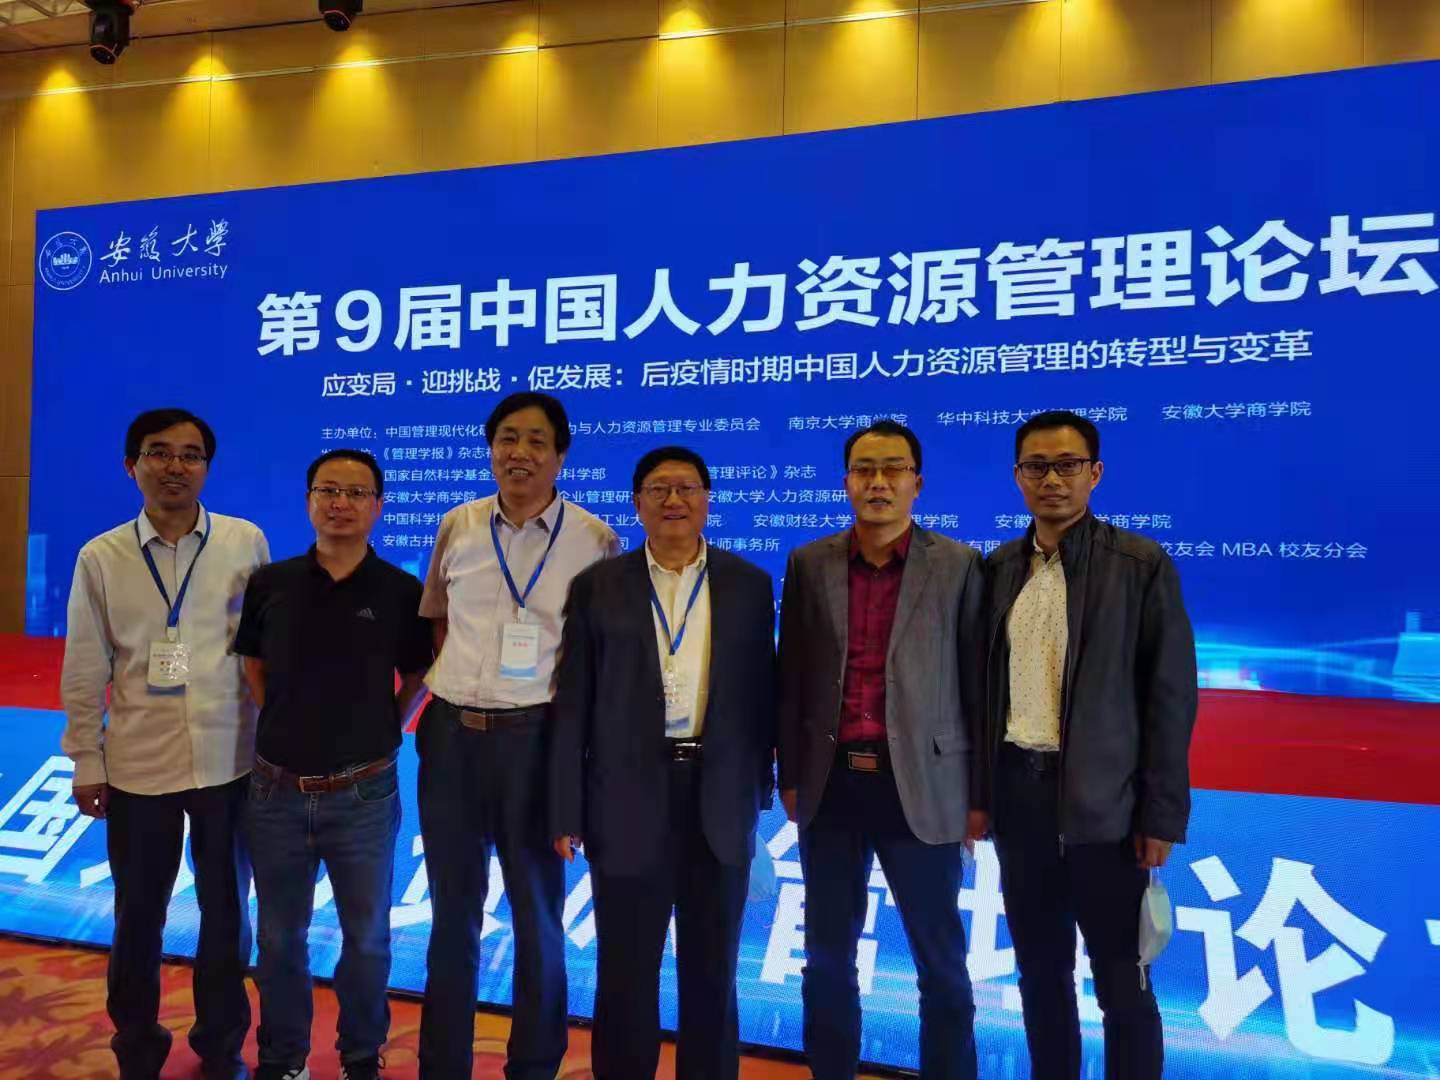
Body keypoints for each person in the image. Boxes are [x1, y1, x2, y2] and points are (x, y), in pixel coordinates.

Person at [981, 410, 1197, 1080]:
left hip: (1110, 811)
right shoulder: (997, 569)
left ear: (1095, 473)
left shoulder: (1140, 564)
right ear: (1018, 476)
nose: (1052, 479)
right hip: (1020, 801)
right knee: (1040, 977)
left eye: (1067, 465)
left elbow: (1170, 698)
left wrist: (1161, 815)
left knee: (1123, 984)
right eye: (1036, 466)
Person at [550, 447, 776, 1079]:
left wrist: (758, 791)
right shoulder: (599, 586)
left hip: (718, 797)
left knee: (713, 973)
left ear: (707, 499)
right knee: (625, 972)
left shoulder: (749, 584)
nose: (674, 500)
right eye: (658, 489)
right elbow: (573, 703)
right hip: (625, 798)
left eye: (687, 488)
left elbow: (764, 693)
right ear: (637, 503)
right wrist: (566, 807)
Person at [60, 408, 268, 1080]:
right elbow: (85, 664)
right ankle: (137, 1045)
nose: (175, 466)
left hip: (229, 761)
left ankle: (220, 1044)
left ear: (207, 466)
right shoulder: (102, 556)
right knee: (138, 914)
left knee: (227, 913)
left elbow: (264, 649)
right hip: (137, 766)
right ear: (132, 465)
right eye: (159, 453)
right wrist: (86, 758)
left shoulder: (244, 542)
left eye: (190, 454)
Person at [416, 392, 620, 1079]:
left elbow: (594, 657)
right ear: (490, 449)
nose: (519, 453)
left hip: (536, 742)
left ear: (561, 455)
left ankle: (533, 1065)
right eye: (507, 438)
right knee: (452, 914)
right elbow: (437, 621)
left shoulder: (594, 540)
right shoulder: (458, 524)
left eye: (536, 441)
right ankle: (442, 1065)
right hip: (451, 737)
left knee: (536, 914)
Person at [777, 419, 985, 1080]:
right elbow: (792, 674)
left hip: (922, 783)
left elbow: (978, 685)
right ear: (846, 482)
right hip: (831, 784)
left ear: (917, 483)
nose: (878, 482)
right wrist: (789, 774)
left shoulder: (959, 565)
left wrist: (979, 794)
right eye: (864, 470)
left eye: (893, 469)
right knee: (827, 959)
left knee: (940, 962)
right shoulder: (809, 563)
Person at [233, 449, 432, 1080]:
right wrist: (285, 720)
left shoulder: (400, 591)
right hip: (276, 789)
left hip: (363, 792)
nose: (340, 503)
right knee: (279, 937)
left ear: (378, 506)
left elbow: (418, 674)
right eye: (327, 490)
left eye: (355, 492)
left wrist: (385, 726)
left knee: (367, 938)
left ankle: (360, 1053)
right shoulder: (272, 583)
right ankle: (282, 1056)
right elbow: (254, 664)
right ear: (309, 500)